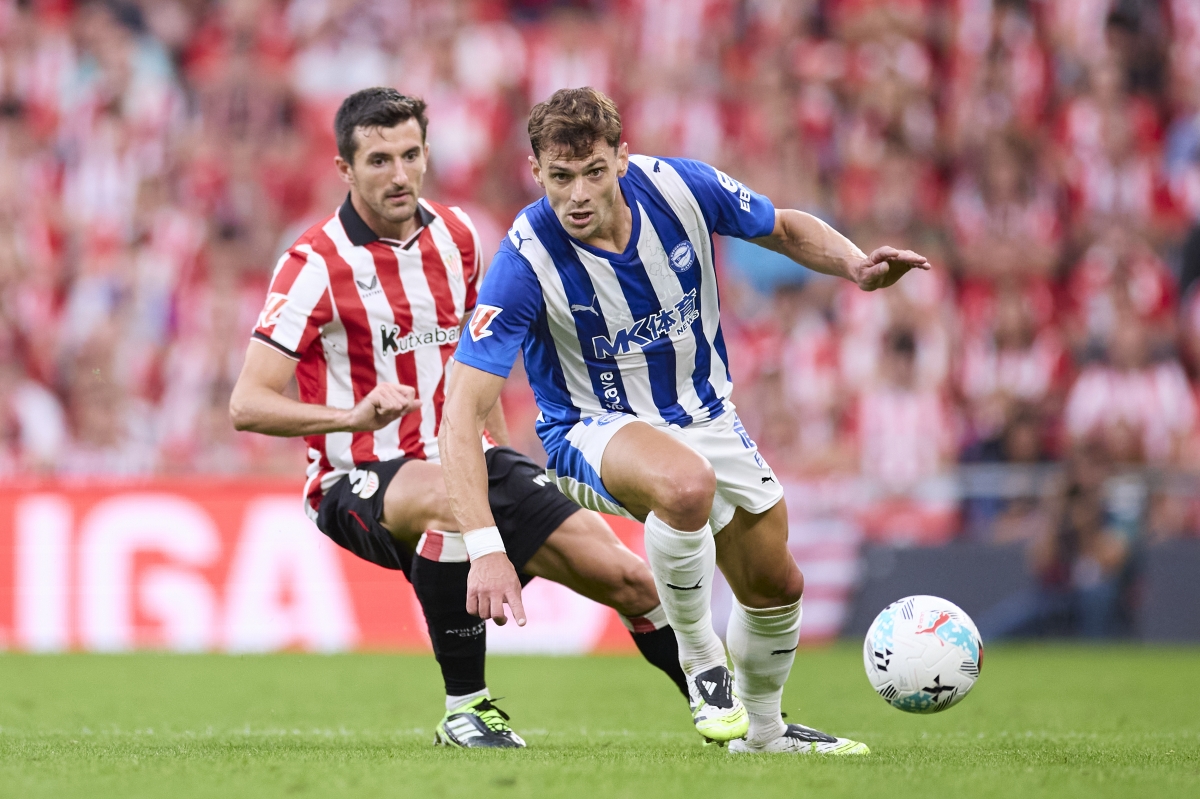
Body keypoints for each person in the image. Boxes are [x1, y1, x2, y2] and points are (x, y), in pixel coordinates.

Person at [441, 87, 929, 754]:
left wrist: (854, 263)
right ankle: (702, 665)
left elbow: (782, 227)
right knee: (685, 485)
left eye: (592, 171)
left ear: (622, 157)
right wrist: (484, 548)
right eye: (560, 177)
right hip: (591, 426)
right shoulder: (526, 258)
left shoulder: (681, 188)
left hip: (706, 414)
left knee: (776, 582)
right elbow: (460, 408)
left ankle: (764, 732)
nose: (578, 193)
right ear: (537, 173)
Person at [229, 88, 687, 749]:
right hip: (356, 477)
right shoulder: (313, 265)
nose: (399, 173)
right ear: (345, 170)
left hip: (464, 458)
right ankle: (466, 708)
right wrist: (349, 413)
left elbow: (480, 368)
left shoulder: (461, 237)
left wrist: (501, 455)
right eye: (379, 159)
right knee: (451, 497)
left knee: (632, 579)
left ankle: (727, 716)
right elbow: (248, 402)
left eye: (411, 154)